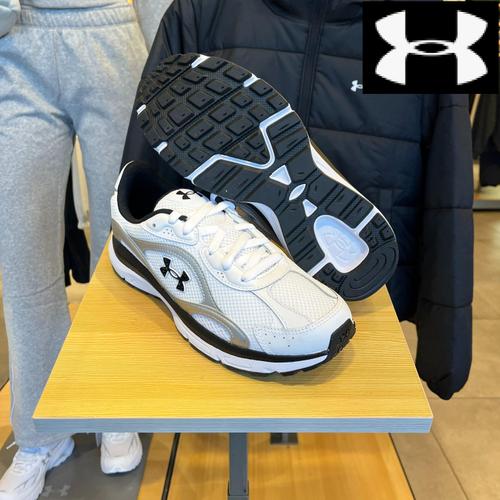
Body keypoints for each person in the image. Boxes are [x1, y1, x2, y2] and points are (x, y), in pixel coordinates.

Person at [0, 1, 150, 498]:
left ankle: (116, 407)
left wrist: (166, 54)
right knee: (22, 250)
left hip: (111, 26)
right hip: (15, 41)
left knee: (121, 245)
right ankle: (41, 433)